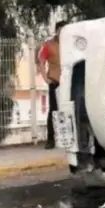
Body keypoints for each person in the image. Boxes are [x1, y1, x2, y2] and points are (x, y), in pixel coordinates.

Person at [38, 21, 67, 149]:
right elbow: (41, 62)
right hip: (55, 82)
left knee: (71, 111)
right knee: (54, 111)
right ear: (56, 30)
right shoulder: (48, 45)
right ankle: (50, 139)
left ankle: (68, 139)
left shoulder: (72, 43)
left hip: (70, 82)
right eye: (61, 30)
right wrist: (46, 79)